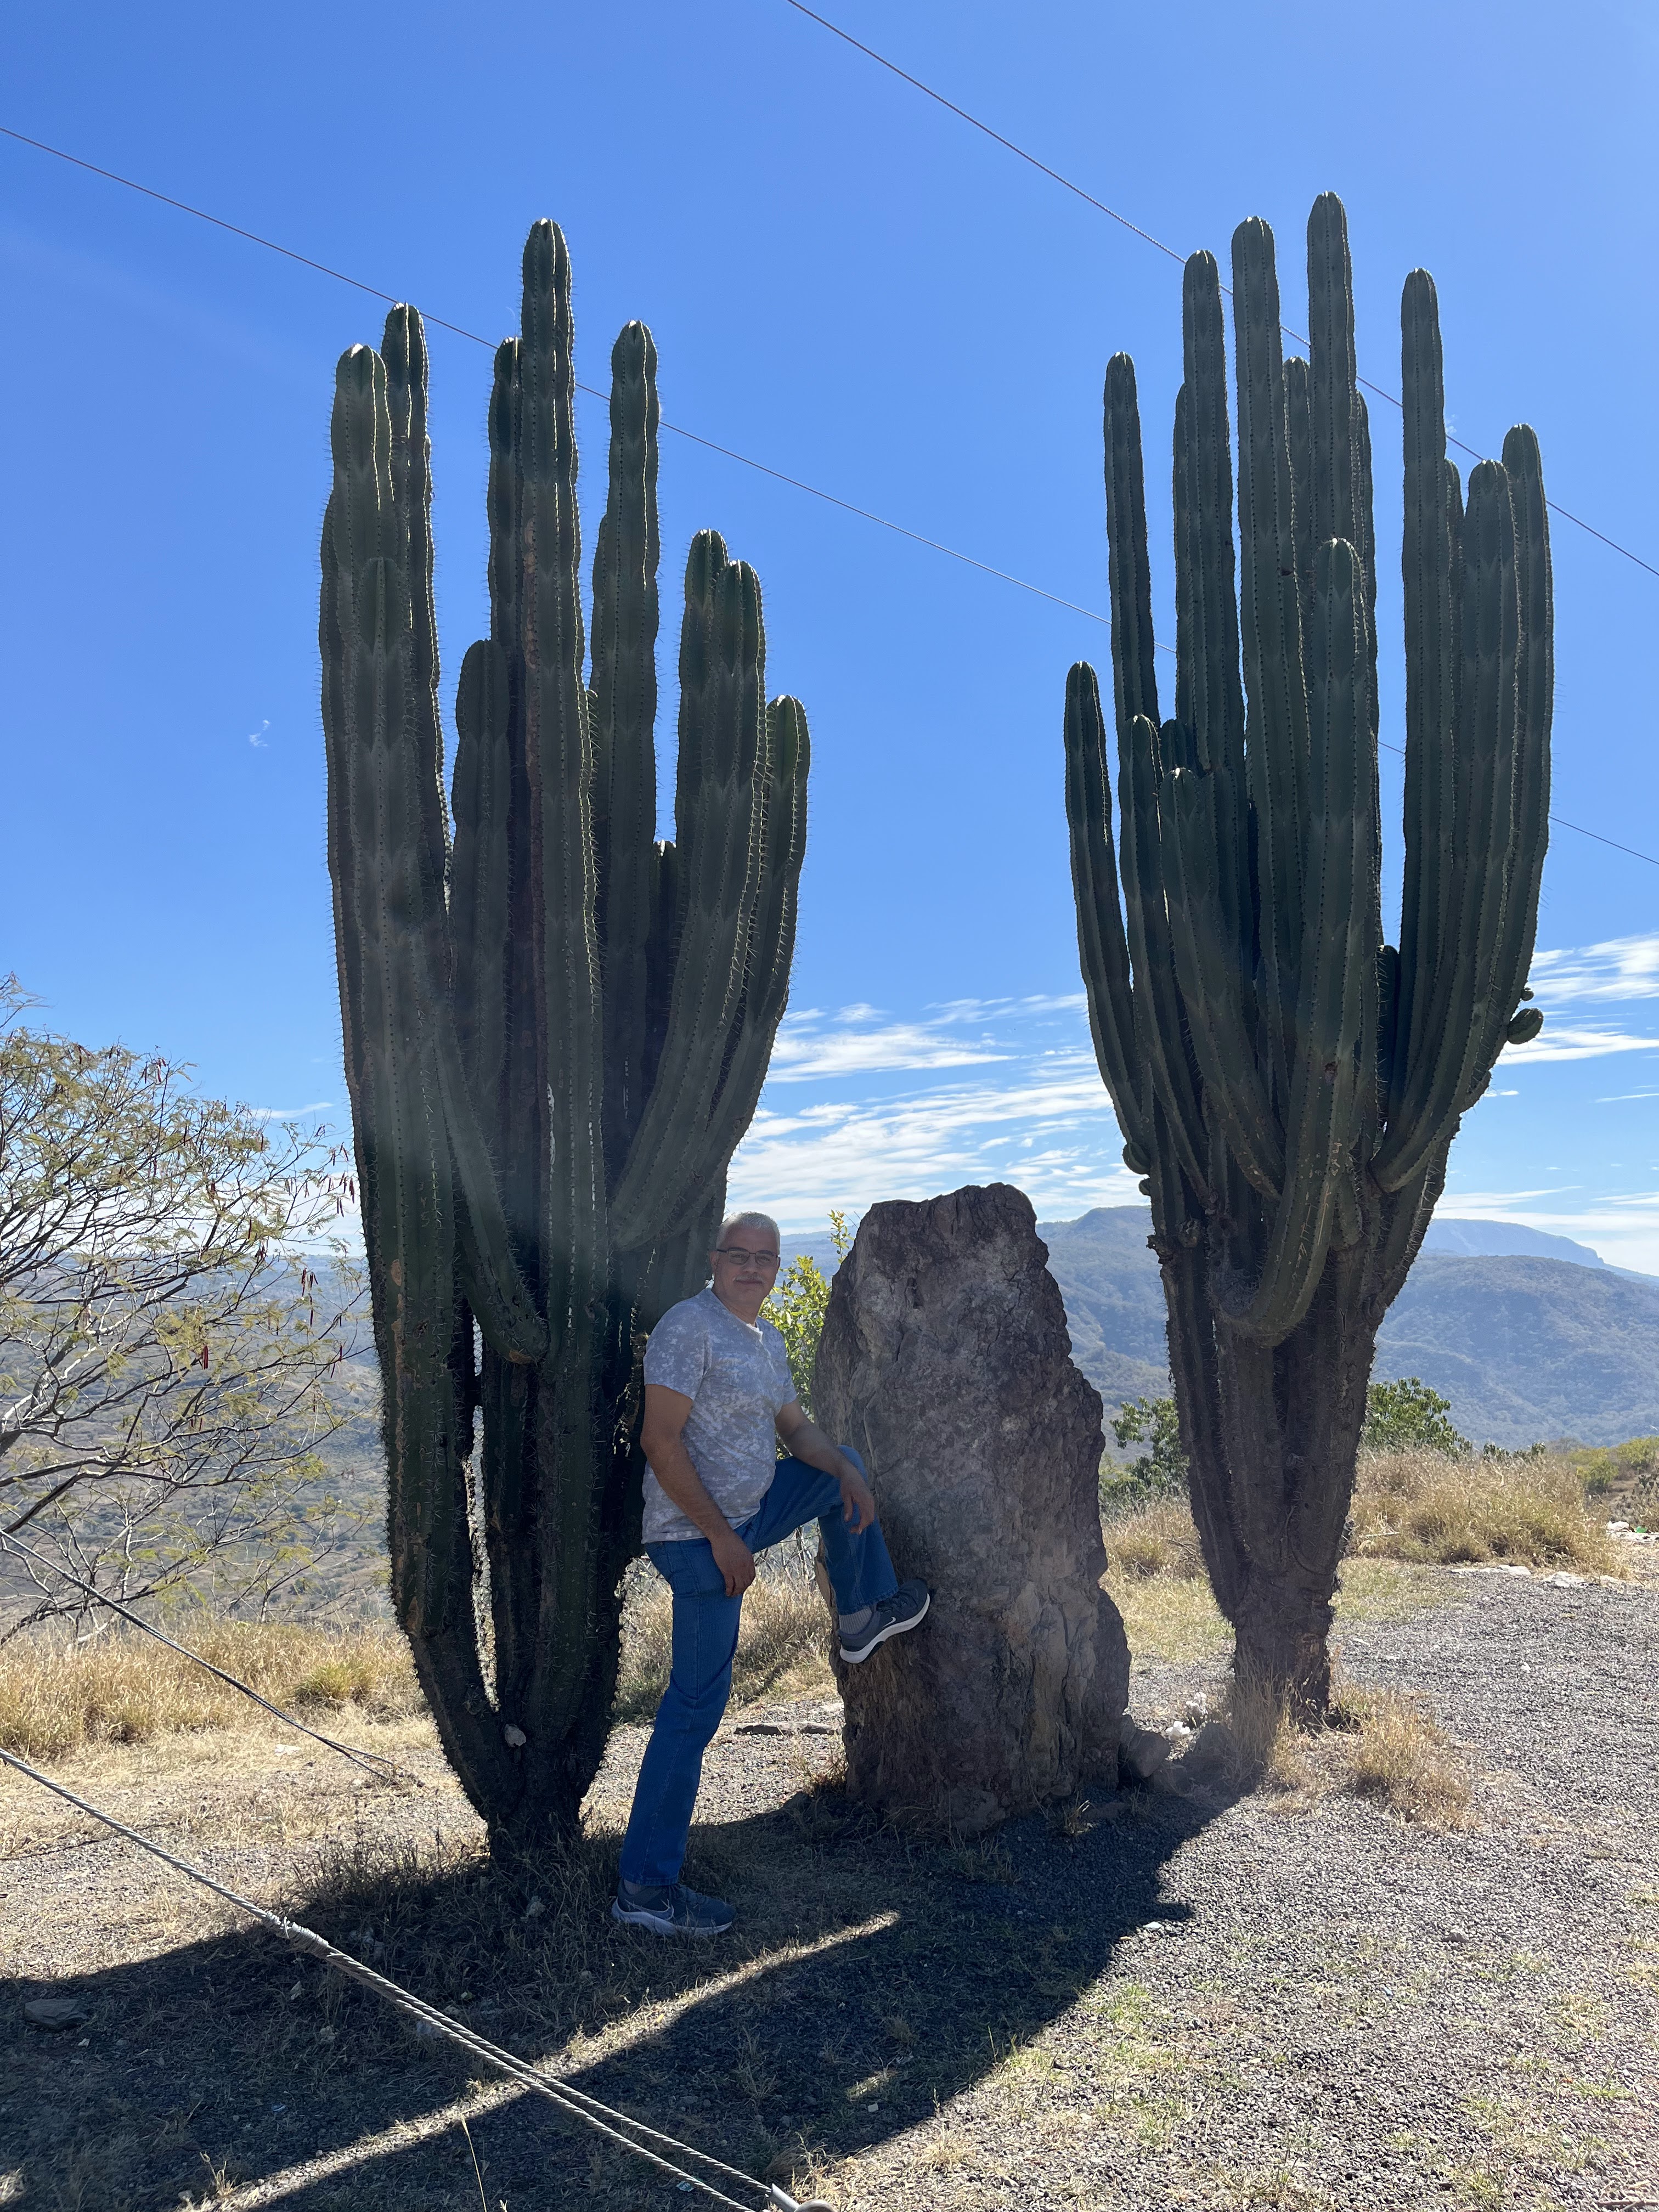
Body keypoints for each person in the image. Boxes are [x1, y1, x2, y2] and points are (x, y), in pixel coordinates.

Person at [613, 1210, 929, 1937]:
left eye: (765, 1258)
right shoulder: (688, 1328)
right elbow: (660, 1443)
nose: (751, 1268)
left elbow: (795, 1429)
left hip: (750, 1513)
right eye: (738, 1255)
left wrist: (849, 1476)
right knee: (692, 1712)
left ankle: (861, 1618)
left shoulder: (764, 1339)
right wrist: (724, 1540)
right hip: (697, 1539)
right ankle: (645, 1891)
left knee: (837, 1469)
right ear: (716, 1260)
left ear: (777, 1269)